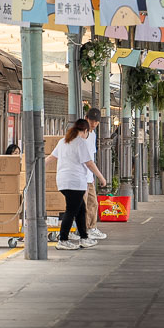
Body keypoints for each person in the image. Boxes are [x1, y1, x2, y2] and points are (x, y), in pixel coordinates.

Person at [46, 119, 107, 251]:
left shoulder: (63, 141)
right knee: (71, 211)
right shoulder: (80, 142)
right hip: (75, 182)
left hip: (63, 182)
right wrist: (101, 178)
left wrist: (38, 166)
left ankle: (84, 237)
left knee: (80, 210)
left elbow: (51, 157)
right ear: (85, 131)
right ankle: (63, 240)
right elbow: (89, 163)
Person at [82, 108, 106, 240]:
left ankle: (91, 228)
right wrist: (100, 177)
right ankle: (83, 230)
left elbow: (91, 157)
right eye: (92, 120)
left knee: (93, 203)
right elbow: (87, 160)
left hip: (89, 176)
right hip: (81, 176)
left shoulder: (93, 134)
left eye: (96, 121)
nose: (94, 123)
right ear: (86, 118)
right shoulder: (81, 134)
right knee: (83, 205)